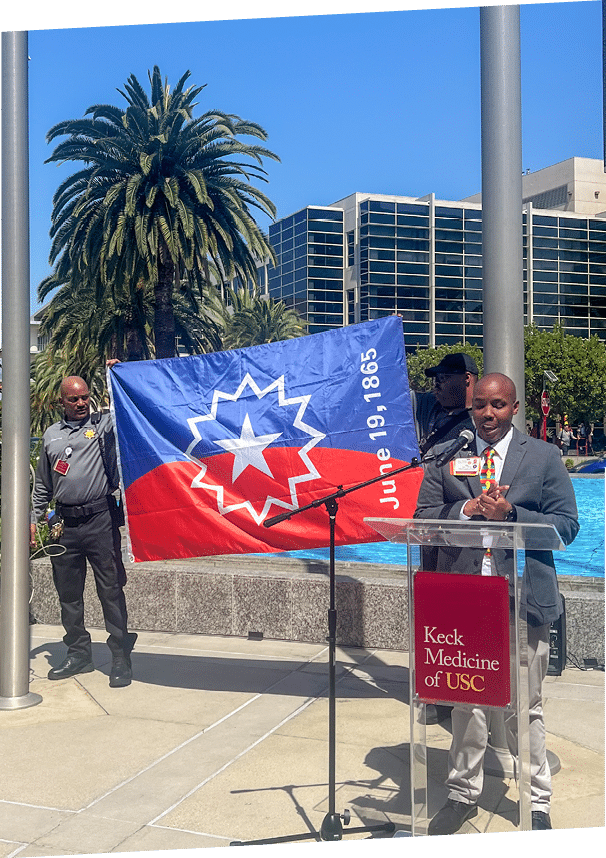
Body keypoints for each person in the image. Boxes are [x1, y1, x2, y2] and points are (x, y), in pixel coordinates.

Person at [414, 373, 579, 834]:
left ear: (515, 407)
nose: (488, 415)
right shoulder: (449, 458)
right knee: (466, 702)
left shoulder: (543, 458)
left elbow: (566, 526)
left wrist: (512, 516)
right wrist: (467, 511)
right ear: (472, 407)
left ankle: (537, 802)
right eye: (481, 405)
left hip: (522, 599)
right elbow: (422, 519)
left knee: (526, 706)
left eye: (499, 405)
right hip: (465, 600)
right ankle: (462, 794)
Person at [30, 375, 137, 687]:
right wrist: (34, 520)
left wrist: (121, 375)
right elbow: (42, 487)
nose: (80, 403)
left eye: (84, 397)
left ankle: (120, 656)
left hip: (100, 521)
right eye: (73, 399)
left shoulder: (102, 426)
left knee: (111, 590)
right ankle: (79, 654)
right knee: (69, 595)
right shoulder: (51, 436)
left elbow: (126, 410)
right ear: (61, 402)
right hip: (64, 527)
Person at [411, 353, 478, 456]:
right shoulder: (429, 404)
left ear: (466, 378)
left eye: (442, 378)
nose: (436, 385)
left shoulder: (482, 418)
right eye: (435, 380)